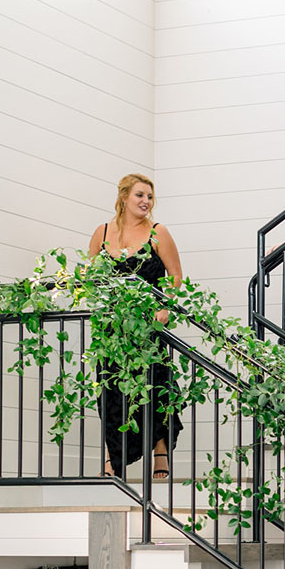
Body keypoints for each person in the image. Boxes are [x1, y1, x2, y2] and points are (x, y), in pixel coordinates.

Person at [87, 173, 183, 480]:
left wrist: (166, 306)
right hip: (113, 331)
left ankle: (160, 452)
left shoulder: (158, 232)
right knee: (112, 392)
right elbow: (91, 279)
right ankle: (111, 458)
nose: (146, 202)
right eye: (140, 195)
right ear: (124, 197)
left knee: (155, 388)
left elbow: (175, 276)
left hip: (147, 328)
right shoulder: (102, 233)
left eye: (150, 197)